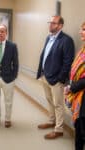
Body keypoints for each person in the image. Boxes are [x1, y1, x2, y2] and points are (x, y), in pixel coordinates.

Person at [36, 15, 75, 139]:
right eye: (50, 22)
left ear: (60, 26)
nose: (50, 25)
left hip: (56, 79)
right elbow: (45, 56)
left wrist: (60, 78)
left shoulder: (66, 40)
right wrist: (41, 73)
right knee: (49, 100)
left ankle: (59, 129)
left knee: (58, 104)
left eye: (53, 23)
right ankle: (51, 121)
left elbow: (68, 62)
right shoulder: (49, 38)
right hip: (45, 76)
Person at [64, 22, 85, 150]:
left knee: (82, 132)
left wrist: (71, 88)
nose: (80, 32)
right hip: (79, 97)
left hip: (83, 97)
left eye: (84, 29)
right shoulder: (83, 50)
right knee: (79, 131)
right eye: (81, 29)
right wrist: (70, 84)